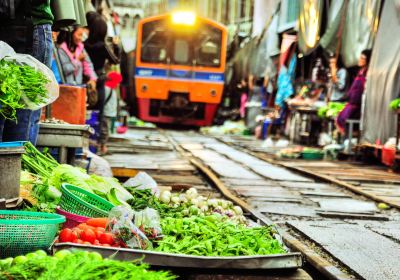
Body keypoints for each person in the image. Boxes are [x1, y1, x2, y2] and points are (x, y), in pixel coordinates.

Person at [84, 11, 120, 155]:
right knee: (99, 114)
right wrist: (116, 47)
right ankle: (97, 146)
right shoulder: (103, 46)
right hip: (98, 81)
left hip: (84, 80)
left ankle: (84, 145)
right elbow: (115, 60)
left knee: (84, 113)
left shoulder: (83, 44)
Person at [29, 0, 54, 145]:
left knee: (31, 104)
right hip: (37, 26)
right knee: (31, 104)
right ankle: (23, 160)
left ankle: (23, 159)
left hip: (37, 25)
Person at [336, 49, 372, 134]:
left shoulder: (368, 74)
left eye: (363, 58)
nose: (360, 60)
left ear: (367, 60)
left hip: (357, 106)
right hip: (351, 103)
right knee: (339, 118)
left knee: (345, 119)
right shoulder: (360, 73)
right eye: (360, 57)